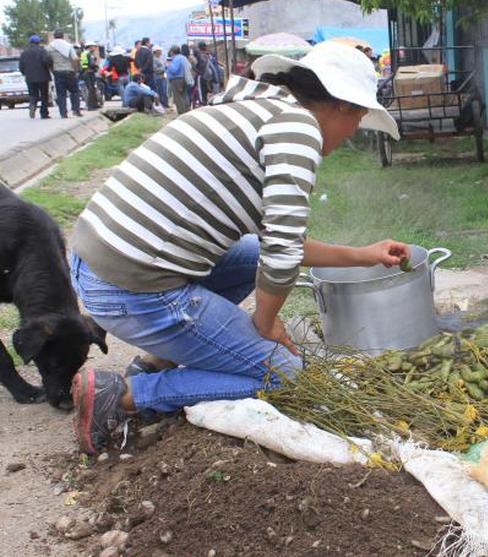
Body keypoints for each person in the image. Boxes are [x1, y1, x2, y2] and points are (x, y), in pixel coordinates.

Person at [67, 42, 406, 455]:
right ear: (341, 107)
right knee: (283, 373)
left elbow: (278, 245)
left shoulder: (260, 110)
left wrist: (364, 255)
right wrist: (266, 324)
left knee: (248, 253)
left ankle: (160, 356)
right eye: (358, 118)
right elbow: (281, 254)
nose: (354, 132)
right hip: (133, 287)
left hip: (98, 262)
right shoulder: (297, 131)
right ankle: (123, 396)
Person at [46, 29, 82, 118]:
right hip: (69, 71)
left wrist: (52, 70)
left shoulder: (49, 47)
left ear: (54, 36)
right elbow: (75, 59)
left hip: (57, 72)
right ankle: (76, 110)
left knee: (61, 94)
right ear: (63, 36)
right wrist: (76, 70)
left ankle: (63, 113)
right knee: (74, 92)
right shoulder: (69, 46)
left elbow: (47, 60)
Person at [19, 35, 53, 119]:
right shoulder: (42, 51)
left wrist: (25, 73)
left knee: (33, 94)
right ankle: (44, 113)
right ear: (38, 42)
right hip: (43, 77)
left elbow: (21, 66)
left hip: (30, 77)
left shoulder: (24, 53)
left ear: (30, 43)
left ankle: (32, 105)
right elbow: (47, 62)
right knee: (44, 95)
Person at [165, 45, 191, 114]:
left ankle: (182, 112)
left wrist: (168, 64)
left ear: (172, 52)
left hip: (176, 80)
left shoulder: (175, 59)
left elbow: (174, 70)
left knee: (178, 97)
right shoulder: (183, 57)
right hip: (184, 78)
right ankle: (187, 110)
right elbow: (189, 66)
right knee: (184, 95)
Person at [79, 43, 102, 111]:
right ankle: (91, 106)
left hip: (85, 72)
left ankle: (93, 105)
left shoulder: (84, 53)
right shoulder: (89, 54)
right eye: (94, 46)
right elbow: (92, 64)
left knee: (90, 89)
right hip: (89, 72)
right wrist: (96, 67)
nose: (95, 48)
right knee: (91, 89)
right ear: (90, 47)